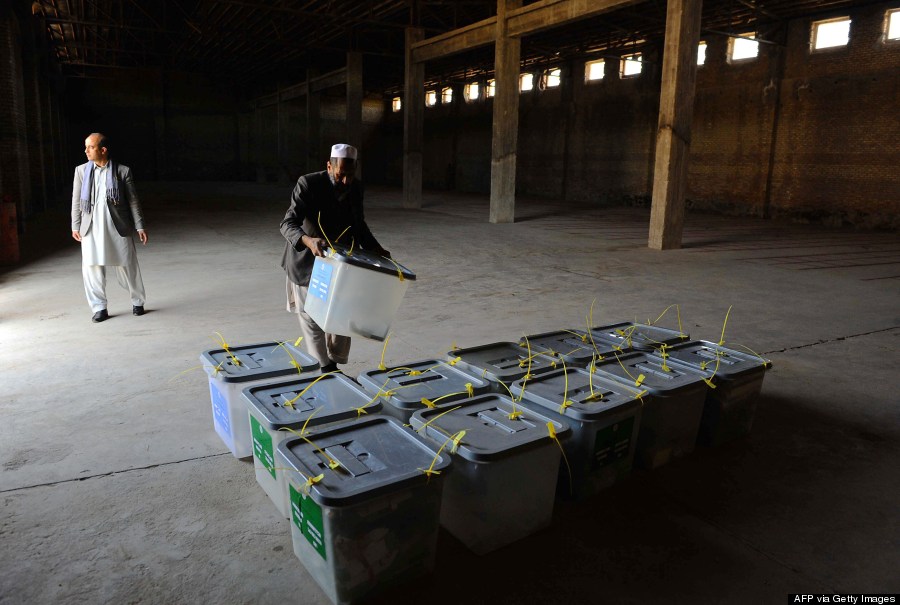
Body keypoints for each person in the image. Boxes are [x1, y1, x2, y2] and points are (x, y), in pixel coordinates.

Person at [280, 143, 389, 373]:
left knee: (340, 317)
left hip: (340, 265)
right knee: (313, 320)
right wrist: (309, 241)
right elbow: (287, 224)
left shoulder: (356, 188)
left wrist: (376, 248)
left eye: (351, 175)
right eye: (341, 175)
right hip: (307, 264)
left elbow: (359, 226)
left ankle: (333, 363)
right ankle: (324, 369)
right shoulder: (308, 184)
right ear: (329, 166)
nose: (346, 181)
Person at [71, 133, 148, 323]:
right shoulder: (81, 171)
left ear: (103, 150)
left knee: (127, 264)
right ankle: (99, 308)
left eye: (90, 147)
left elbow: (133, 201)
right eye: (86, 146)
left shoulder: (122, 171)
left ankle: (138, 301)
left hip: (117, 226)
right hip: (90, 227)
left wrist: (140, 226)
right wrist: (75, 224)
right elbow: (76, 201)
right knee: (92, 267)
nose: (86, 151)